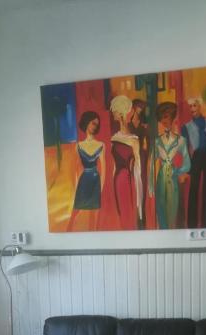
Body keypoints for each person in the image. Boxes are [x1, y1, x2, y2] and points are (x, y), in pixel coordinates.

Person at [149, 102, 190, 229]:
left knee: (172, 212)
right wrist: (151, 186)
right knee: (161, 212)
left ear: (172, 118)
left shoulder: (181, 141)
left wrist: (177, 172)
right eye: (161, 117)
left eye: (166, 116)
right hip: (161, 180)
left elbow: (187, 163)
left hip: (173, 181)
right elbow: (151, 165)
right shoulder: (157, 141)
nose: (163, 120)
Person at [181, 97, 206, 228]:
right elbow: (184, 148)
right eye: (190, 107)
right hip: (195, 157)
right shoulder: (186, 127)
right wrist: (188, 164)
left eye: (194, 106)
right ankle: (192, 224)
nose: (192, 109)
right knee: (194, 190)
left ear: (199, 106)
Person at [67, 111, 105, 232]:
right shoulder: (78, 146)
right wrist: (75, 186)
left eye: (97, 124)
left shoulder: (101, 145)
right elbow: (75, 169)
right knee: (75, 212)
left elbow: (104, 168)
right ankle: (67, 233)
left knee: (95, 214)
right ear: (87, 123)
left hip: (96, 181)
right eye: (93, 123)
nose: (95, 126)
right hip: (84, 180)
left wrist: (101, 187)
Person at [110, 95, 143, 230]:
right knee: (120, 212)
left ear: (121, 112)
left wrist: (138, 191)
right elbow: (113, 165)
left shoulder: (134, 140)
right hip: (117, 179)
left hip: (129, 180)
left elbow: (138, 167)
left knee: (128, 212)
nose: (112, 112)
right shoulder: (113, 137)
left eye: (114, 110)